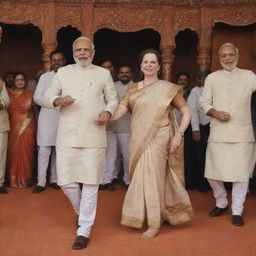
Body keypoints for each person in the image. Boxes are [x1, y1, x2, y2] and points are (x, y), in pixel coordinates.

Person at [42, 36, 118, 250]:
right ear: (73, 52)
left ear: (93, 52)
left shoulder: (103, 74)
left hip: (94, 135)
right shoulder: (63, 72)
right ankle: (81, 213)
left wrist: (107, 111)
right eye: (79, 50)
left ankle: (84, 229)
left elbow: (112, 98)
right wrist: (56, 101)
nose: (82, 53)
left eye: (86, 49)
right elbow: (49, 94)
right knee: (66, 182)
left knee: (92, 183)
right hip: (67, 136)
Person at [111, 49, 194, 238]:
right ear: (140, 66)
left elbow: (186, 111)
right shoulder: (133, 89)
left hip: (160, 137)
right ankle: (152, 214)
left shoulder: (168, 88)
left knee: (152, 177)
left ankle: (154, 223)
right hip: (139, 138)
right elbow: (120, 111)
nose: (149, 65)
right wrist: (104, 116)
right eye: (145, 62)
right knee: (141, 177)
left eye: (152, 62)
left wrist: (179, 135)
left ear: (158, 66)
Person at [200, 42, 256, 226]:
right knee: (212, 172)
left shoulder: (249, 76)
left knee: (240, 175)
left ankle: (237, 211)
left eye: (231, 54)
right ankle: (221, 202)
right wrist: (214, 113)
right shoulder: (212, 78)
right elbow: (204, 102)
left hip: (242, 134)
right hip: (218, 132)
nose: (227, 58)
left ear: (237, 56)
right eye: (223, 56)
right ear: (219, 58)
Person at [33, 51, 66, 193]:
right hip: (47, 118)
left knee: (58, 151)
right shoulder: (45, 78)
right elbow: (37, 98)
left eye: (59, 60)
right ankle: (41, 182)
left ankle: (54, 179)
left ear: (64, 61)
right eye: (53, 60)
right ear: (50, 62)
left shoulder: (69, 77)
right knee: (44, 150)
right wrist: (53, 102)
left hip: (64, 117)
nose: (56, 62)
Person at [7, 72, 37, 188]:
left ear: (25, 82)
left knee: (26, 153)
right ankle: (12, 180)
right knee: (12, 153)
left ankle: (24, 180)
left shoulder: (30, 94)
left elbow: (35, 111)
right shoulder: (8, 95)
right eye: (17, 80)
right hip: (12, 127)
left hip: (27, 128)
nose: (20, 82)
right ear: (13, 82)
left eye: (22, 80)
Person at [187, 70, 211, 192]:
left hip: (214, 128)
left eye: (207, 78)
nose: (205, 80)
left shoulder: (215, 91)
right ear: (199, 80)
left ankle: (212, 184)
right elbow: (192, 111)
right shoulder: (195, 91)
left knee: (212, 157)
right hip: (200, 128)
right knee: (200, 156)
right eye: (203, 78)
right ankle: (201, 183)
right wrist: (195, 129)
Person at [112, 65, 133, 187]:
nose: (124, 74)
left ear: (131, 74)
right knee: (114, 155)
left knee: (127, 156)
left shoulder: (137, 87)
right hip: (113, 126)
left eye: (127, 72)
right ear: (118, 74)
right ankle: (113, 176)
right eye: (122, 72)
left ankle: (127, 179)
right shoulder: (113, 86)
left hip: (128, 127)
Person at [175, 71, 197, 190]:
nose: (182, 82)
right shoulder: (172, 93)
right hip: (174, 128)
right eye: (180, 79)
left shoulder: (191, 94)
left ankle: (187, 183)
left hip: (187, 130)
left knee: (187, 157)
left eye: (185, 80)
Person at [99, 60, 117, 191]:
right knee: (97, 155)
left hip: (112, 126)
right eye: (104, 67)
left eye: (109, 67)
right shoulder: (96, 83)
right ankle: (98, 180)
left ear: (113, 69)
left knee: (111, 154)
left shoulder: (115, 85)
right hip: (96, 126)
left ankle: (108, 180)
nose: (107, 69)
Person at [0, 78, 10, 194]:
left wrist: (1, 105)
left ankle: (0, 183)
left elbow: (7, 101)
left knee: (1, 154)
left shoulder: (0, 83)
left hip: (1, 124)